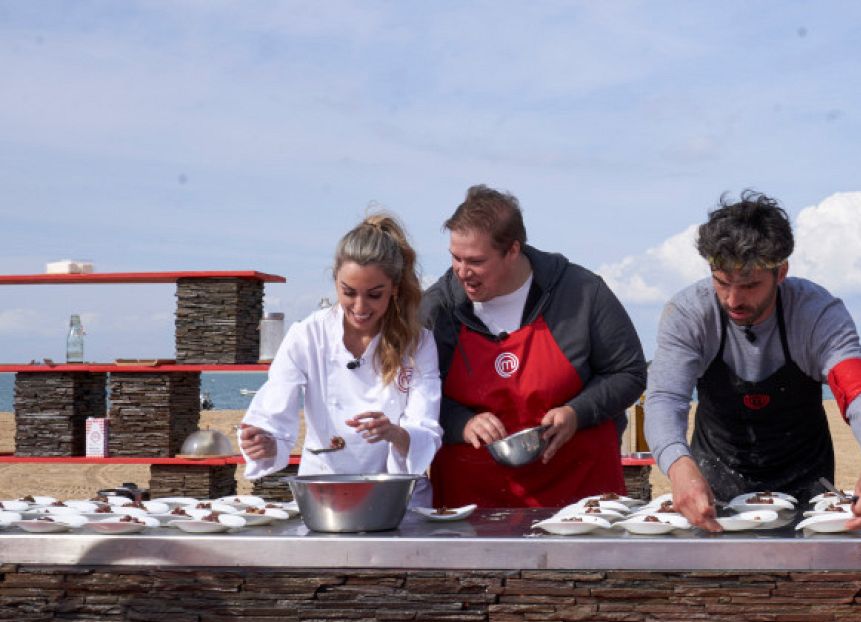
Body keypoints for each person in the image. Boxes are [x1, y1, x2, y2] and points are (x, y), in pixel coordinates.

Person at [644, 190, 861, 531]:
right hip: (713, 481)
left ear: (781, 272)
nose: (733, 300)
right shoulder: (688, 313)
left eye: (750, 285)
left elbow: (860, 390)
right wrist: (678, 466)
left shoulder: (817, 313)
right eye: (721, 282)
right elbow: (664, 399)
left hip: (807, 483)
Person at [423, 185, 646, 508]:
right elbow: (410, 393)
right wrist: (462, 422)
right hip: (470, 502)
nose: (462, 272)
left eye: (476, 261)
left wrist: (577, 413)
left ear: (513, 250)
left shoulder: (582, 293)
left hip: (581, 496)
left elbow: (629, 373)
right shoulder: (437, 308)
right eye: (455, 258)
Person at [240, 214, 442, 503]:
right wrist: (266, 443)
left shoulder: (417, 343)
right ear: (336, 282)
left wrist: (394, 433)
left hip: (400, 498)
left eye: (374, 295)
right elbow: (274, 408)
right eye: (349, 293)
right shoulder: (308, 335)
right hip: (326, 493)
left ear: (394, 288)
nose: (360, 307)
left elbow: (426, 429)